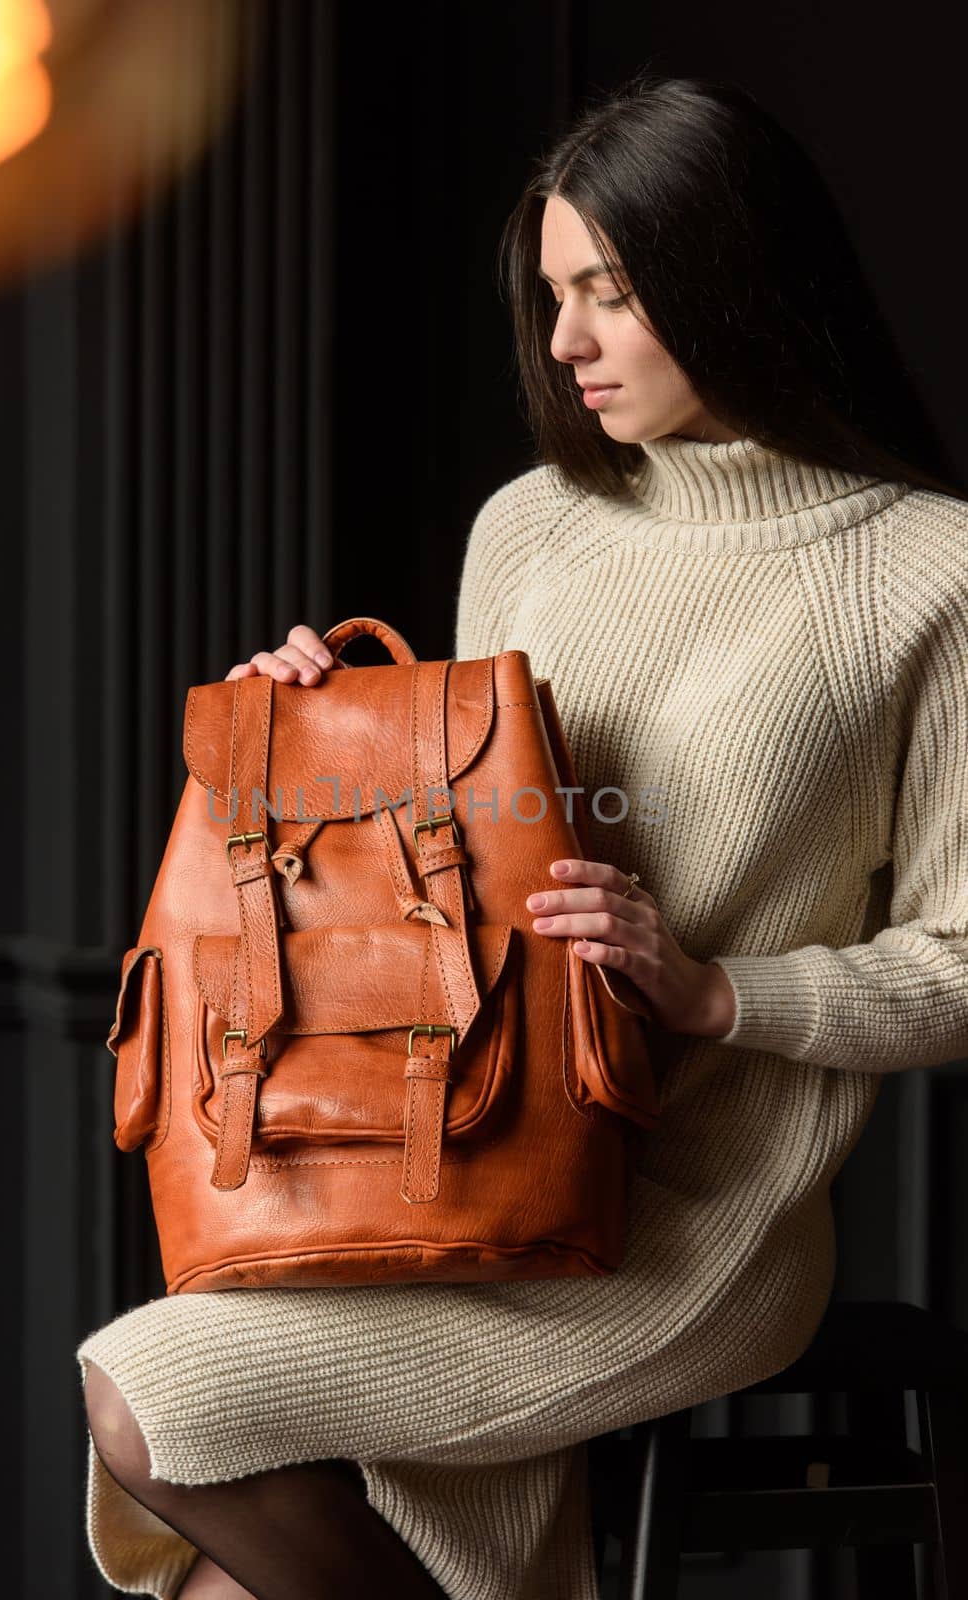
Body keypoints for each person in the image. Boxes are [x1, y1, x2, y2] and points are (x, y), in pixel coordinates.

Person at [76, 70, 968, 1600]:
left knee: (152, 1394)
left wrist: (712, 992)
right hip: (472, 1155)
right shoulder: (531, 525)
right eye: (555, 295)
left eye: (610, 295)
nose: (564, 344)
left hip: (696, 1229)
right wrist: (311, 725)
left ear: (734, 279)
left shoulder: (924, 572)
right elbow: (460, 865)